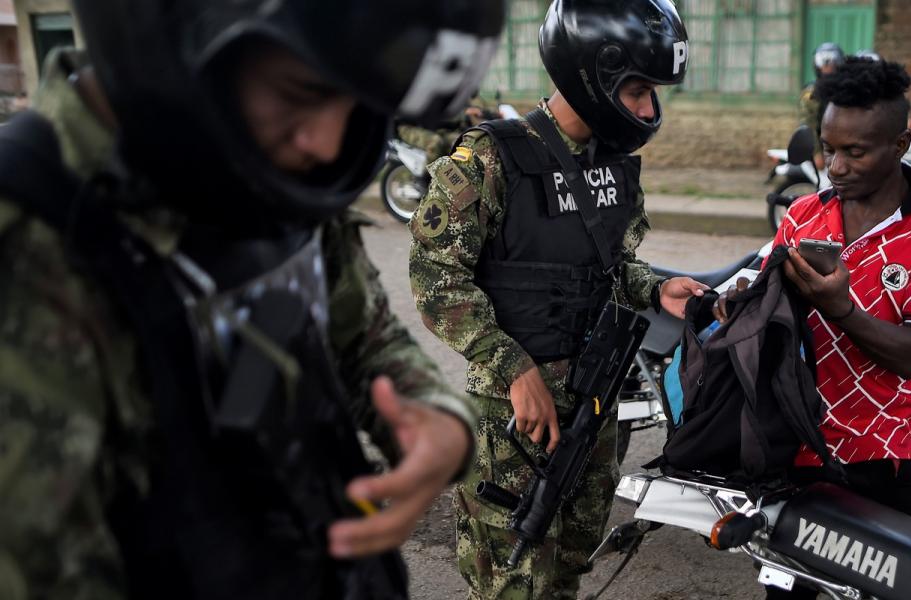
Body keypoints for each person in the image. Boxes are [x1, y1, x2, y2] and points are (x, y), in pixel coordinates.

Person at [0, 1, 504, 598]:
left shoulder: (256, 162)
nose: (325, 143)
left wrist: (438, 420)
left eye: (359, 106)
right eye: (299, 91)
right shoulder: (30, 246)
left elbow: (357, 332)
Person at [409, 0, 704, 597]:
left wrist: (655, 287)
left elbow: (612, 267)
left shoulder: (615, 168)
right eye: (639, 91)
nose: (651, 110)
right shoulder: (490, 159)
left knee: (568, 567)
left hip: (595, 406)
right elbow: (435, 279)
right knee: (515, 580)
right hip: (516, 420)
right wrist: (513, 369)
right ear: (590, 76)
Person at [727, 56, 911, 599]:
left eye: (854, 152)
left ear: (900, 145)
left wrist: (842, 308)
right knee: (787, 593)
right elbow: (761, 304)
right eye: (828, 147)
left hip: (879, 459)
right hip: (794, 451)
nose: (834, 166)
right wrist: (739, 302)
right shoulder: (803, 216)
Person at [797, 42, 846, 171]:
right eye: (824, 62)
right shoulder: (812, 92)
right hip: (824, 148)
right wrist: (816, 152)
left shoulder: (846, 88)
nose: (828, 66)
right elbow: (808, 124)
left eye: (832, 61)